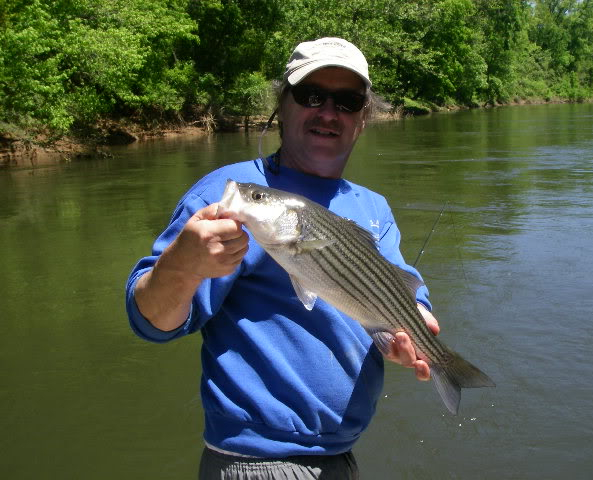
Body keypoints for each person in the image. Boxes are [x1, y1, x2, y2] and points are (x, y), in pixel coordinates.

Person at [125, 37, 440, 479]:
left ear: (363, 119)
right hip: (257, 462)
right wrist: (181, 265)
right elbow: (149, 321)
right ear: (283, 103)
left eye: (347, 102)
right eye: (312, 96)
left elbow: (400, 283)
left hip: (340, 457)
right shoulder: (226, 195)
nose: (328, 113)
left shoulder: (374, 208)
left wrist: (414, 322)